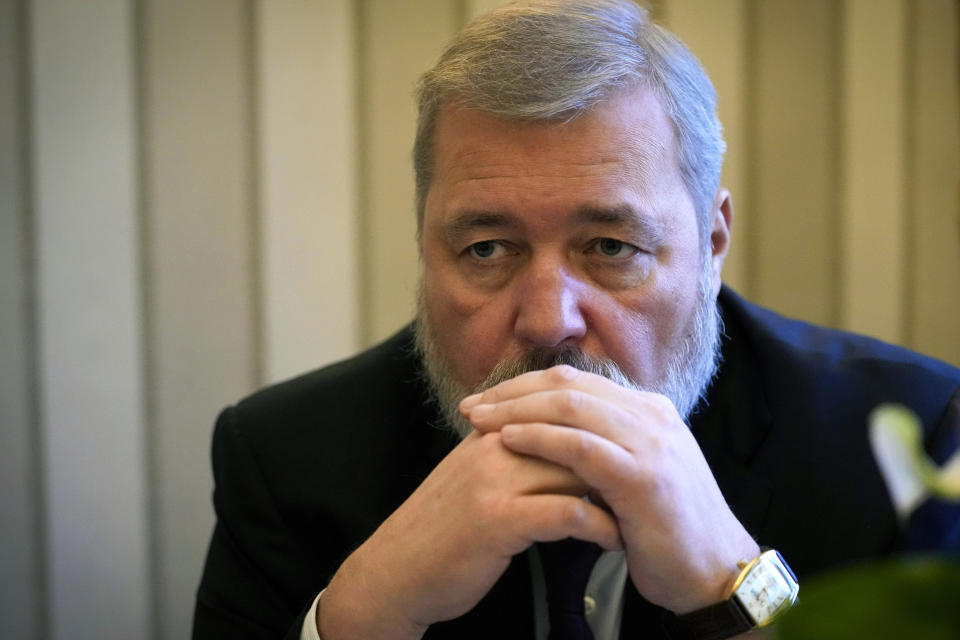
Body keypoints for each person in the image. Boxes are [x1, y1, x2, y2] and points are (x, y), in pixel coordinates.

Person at [192, 1, 960, 639]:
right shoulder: (283, 459)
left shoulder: (908, 441)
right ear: (426, 248)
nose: (547, 321)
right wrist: (359, 617)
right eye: (488, 247)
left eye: (611, 247)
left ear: (712, 243)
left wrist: (737, 585)